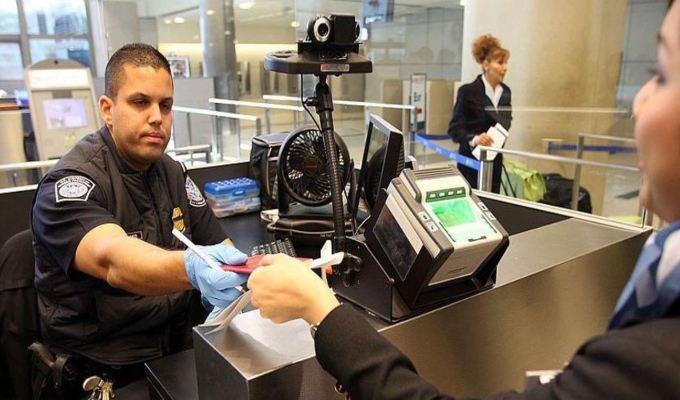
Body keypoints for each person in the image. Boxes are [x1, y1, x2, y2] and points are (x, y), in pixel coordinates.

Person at [248, 2, 680, 397]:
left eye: (661, 73)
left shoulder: (650, 361)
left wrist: (321, 309)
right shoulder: (661, 278)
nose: (639, 102)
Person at [31, 43, 248, 398]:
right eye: (140, 102)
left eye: (165, 105)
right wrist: (194, 268)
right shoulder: (70, 185)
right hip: (105, 374)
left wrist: (242, 275)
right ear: (107, 109)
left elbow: (221, 246)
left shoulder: (172, 173)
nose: (156, 117)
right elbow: (114, 259)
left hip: (175, 354)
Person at [447, 34, 512, 193]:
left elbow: (506, 120)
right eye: (500, 62)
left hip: (494, 161)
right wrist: (475, 139)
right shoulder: (468, 91)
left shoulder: (506, 92)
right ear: (486, 64)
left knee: (492, 200)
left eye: (506, 62)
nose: (505, 68)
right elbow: (455, 129)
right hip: (470, 162)